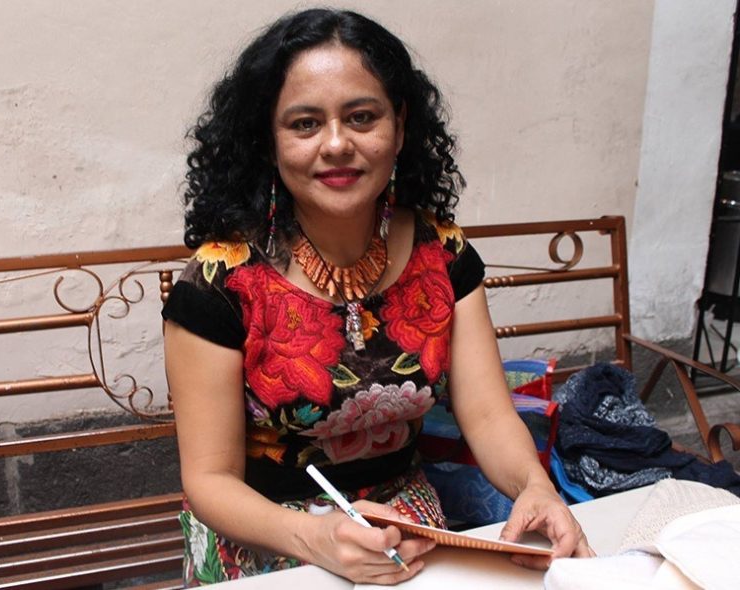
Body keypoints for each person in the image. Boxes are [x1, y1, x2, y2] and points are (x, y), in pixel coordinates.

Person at [162, 8, 593, 587]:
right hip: (267, 541)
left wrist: (535, 487)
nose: (337, 144)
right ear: (268, 140)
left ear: (399, 125)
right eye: (305, 124)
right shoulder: (220, 282)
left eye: (362, 117)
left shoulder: (442, 252)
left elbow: (489, 414)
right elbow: (209, 480)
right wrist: (315, 537)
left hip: (409, 531)